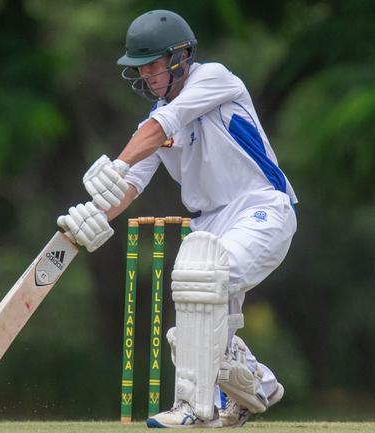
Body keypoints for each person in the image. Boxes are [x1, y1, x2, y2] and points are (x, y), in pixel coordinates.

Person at [57, 9, 298, 428]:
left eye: (152, 64)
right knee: (188, 331)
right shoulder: (154, 121)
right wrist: (92, 217)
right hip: (210, 224)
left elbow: (160, 126)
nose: (147, 75)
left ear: (180, 56)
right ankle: (255, 385)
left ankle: (193, 409)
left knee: (200, 284)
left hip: (261, 209)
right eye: (140, 67)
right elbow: (129, 185)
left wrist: (116, 162)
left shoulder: (215, 79)